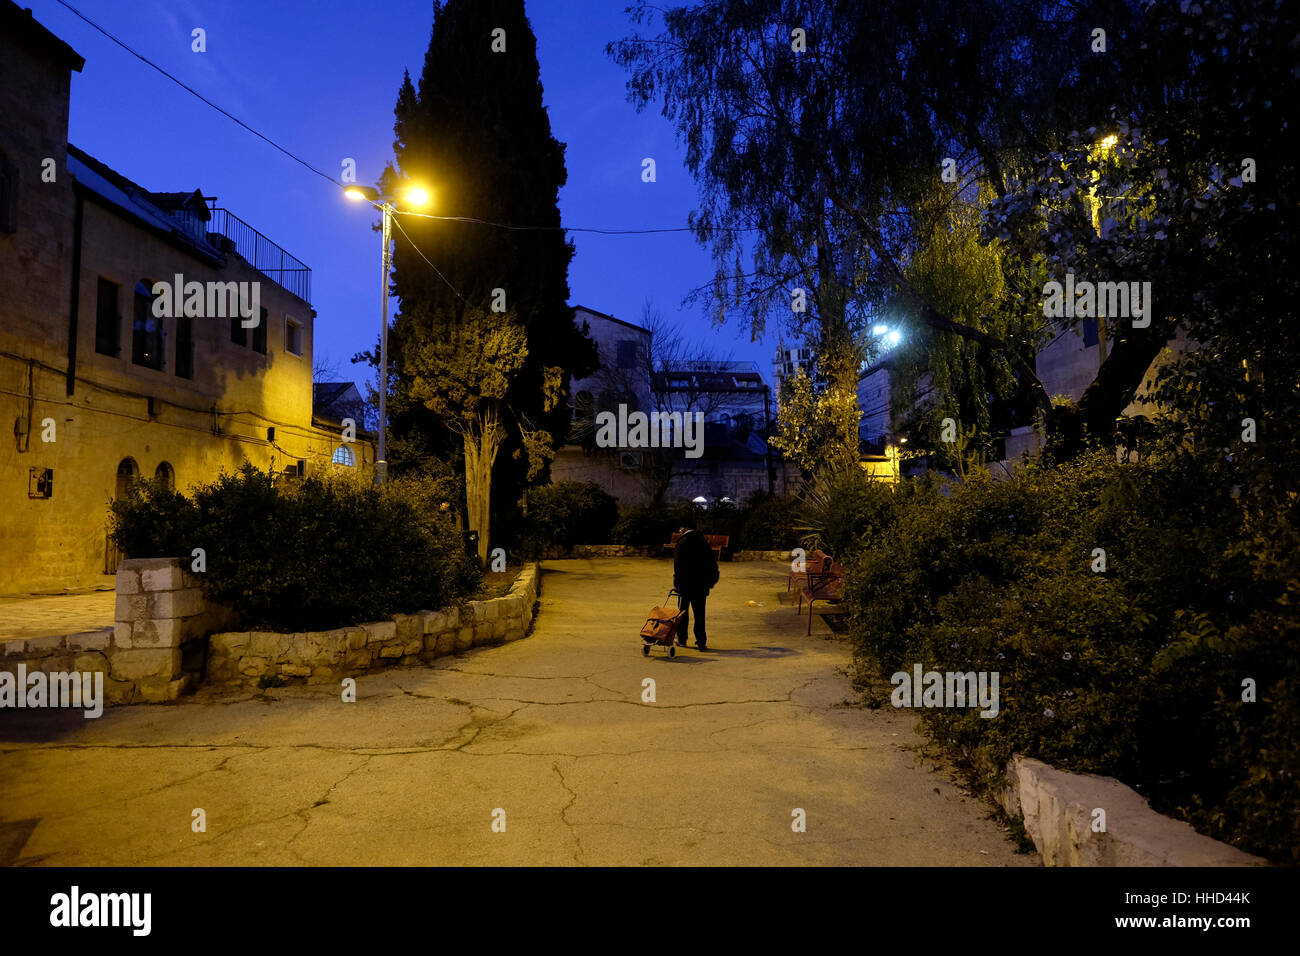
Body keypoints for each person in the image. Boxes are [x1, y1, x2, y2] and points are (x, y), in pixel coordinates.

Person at [672, 514, 719, 650]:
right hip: (701, 585)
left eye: (681, 528)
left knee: (682, 613)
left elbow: (678, 566)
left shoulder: (682, 542)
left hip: (685, 585)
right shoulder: (703, 542)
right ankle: (701, 641)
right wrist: (711, 581)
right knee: (699, 614)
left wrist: (677, 584)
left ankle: (682, 639)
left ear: (685, 528)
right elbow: (712, 563)